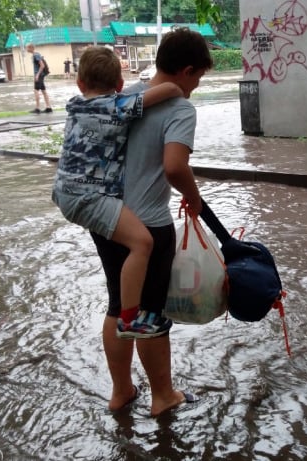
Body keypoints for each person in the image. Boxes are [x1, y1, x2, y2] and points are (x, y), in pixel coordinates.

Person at [90, 28, 212, 414]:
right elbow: (175, 168)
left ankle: (121, 391)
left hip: (107, 218)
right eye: (198, 78)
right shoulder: (179, 109)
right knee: (150, 312)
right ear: (187, 70)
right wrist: (195, 199)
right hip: (148, 225)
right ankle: (163, 396)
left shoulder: (123, 97)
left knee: (118, 305)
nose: (195, 87)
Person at [51, 46, 184, 341]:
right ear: (120, 86)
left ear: (79, 83)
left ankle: (125, 315)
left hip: (65, 192)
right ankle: (129, 318)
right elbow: (161, 93)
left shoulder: (76, 105)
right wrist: (175, 87)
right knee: (142, 243)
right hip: (89, 197)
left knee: (135, 246)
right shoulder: (118, 106)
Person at [26, 43, 53, 114]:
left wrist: (37, 75)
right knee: (43, 91)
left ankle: (37, 108)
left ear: (31, 48)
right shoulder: (35, 55)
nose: (26, 49)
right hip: (40, 75)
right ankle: (48, 107)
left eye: (27, 48)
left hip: (39, 75)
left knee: (36, 91)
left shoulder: (36, 55)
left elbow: (42, 65)